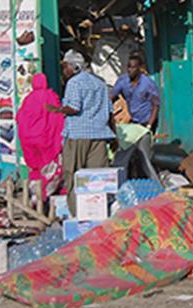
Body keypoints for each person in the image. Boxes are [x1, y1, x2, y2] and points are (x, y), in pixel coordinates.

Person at [55, 50, 114, 209]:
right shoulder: (100, 83)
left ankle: (78, 213)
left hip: (78, 135)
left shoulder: (74, 83)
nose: (64, 70)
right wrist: (114, 137)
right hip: (99, 135)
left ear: (74, 67)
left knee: (74, 175)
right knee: (96, 179)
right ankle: (97, 211)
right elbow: (109, 112)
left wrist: (59, 110)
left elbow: (74, 107)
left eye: (65, 66)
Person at [15, 72, 65, 208]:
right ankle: (44, 195)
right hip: (46, 140)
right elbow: (57, 116)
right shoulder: (50, 97)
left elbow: (19, 117)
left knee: (35, 168)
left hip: (29, 141)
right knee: (51, 168)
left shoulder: (27, 99)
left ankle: (34, 196)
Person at [110, 51, 161, 130]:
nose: (130, 70)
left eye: (133, 67)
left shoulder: (148, 84)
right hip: (133, 120)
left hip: (146, 121)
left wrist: (150, 124)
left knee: (144, 141)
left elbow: (156, 105)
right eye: (128, 67)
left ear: (139, 68)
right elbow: (111, 97)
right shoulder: (123, 81)